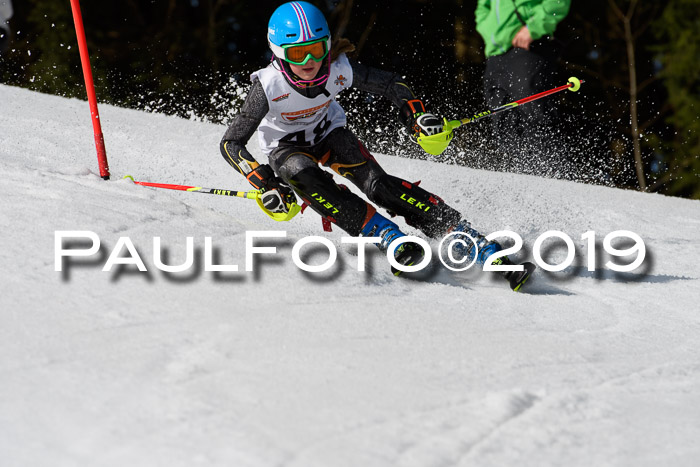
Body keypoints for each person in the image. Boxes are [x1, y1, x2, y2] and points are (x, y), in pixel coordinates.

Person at [220, 1, 533, 289]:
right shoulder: (267, 86)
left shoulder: (339, 69)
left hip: (330, 135)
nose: (312, 61)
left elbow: (393, 84)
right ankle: (388, 237)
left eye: (317, 49)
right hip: (286, 149)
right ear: (279, 52)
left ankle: (478, 245)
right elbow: (231, 143)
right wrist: (264, 182)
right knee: (303, 175)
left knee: (380, 187)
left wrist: (417, 116)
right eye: (299, 54)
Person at [475, 0, 571, 176]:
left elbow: (558, 2)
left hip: (528, 47)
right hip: (495, 52)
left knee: (535, 113)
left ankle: (554, 176)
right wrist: (491, 32)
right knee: (502, 119)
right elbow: (483, 8)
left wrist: (532, 27)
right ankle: (518, 177)